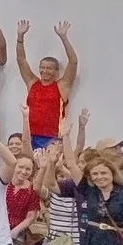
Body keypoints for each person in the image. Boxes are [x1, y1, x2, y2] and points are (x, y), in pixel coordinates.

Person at [16, 20, 78, 149]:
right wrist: (20, 37)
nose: (44, 71)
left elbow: (73, 62)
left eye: (49, 68)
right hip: (30, 136)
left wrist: (64, 38)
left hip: (52, 138)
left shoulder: (61, 86)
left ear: (56, 71)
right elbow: (21, 60)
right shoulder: (32, 83)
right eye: (42, 67)